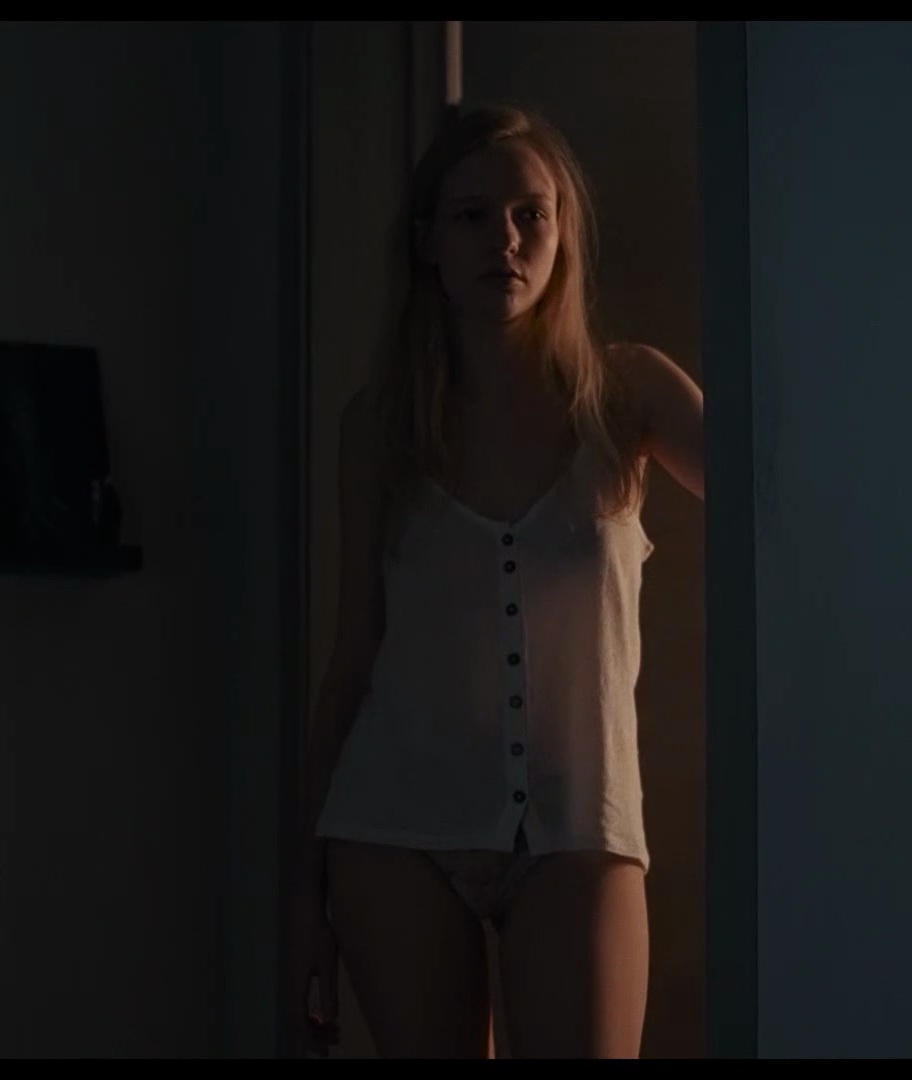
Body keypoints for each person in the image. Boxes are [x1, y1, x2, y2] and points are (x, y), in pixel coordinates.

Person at [293, 101, 706, 1059]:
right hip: (392, 827)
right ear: (428, 240)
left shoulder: (626, 393)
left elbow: (777, 497)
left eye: (531, 215)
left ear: (563, 233)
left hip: (579, 825)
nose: (506, 240)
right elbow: (354, 656)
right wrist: (302, 900)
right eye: (473, 216)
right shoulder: (380, 426)